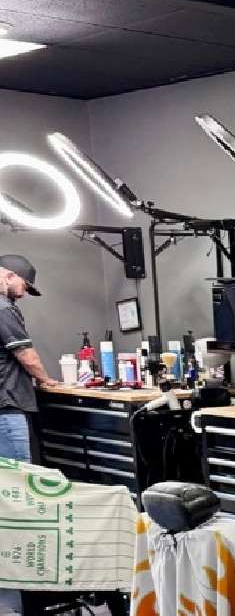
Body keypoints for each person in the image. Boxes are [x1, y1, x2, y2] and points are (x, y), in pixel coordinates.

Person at [0, 254, 60, 615]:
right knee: (19, 491)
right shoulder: (3, 308)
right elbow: (24, 353)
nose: (23, 294)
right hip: (6, 410)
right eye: (24, 286)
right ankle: (26, 577)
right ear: (9, 276)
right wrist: (46, 379)